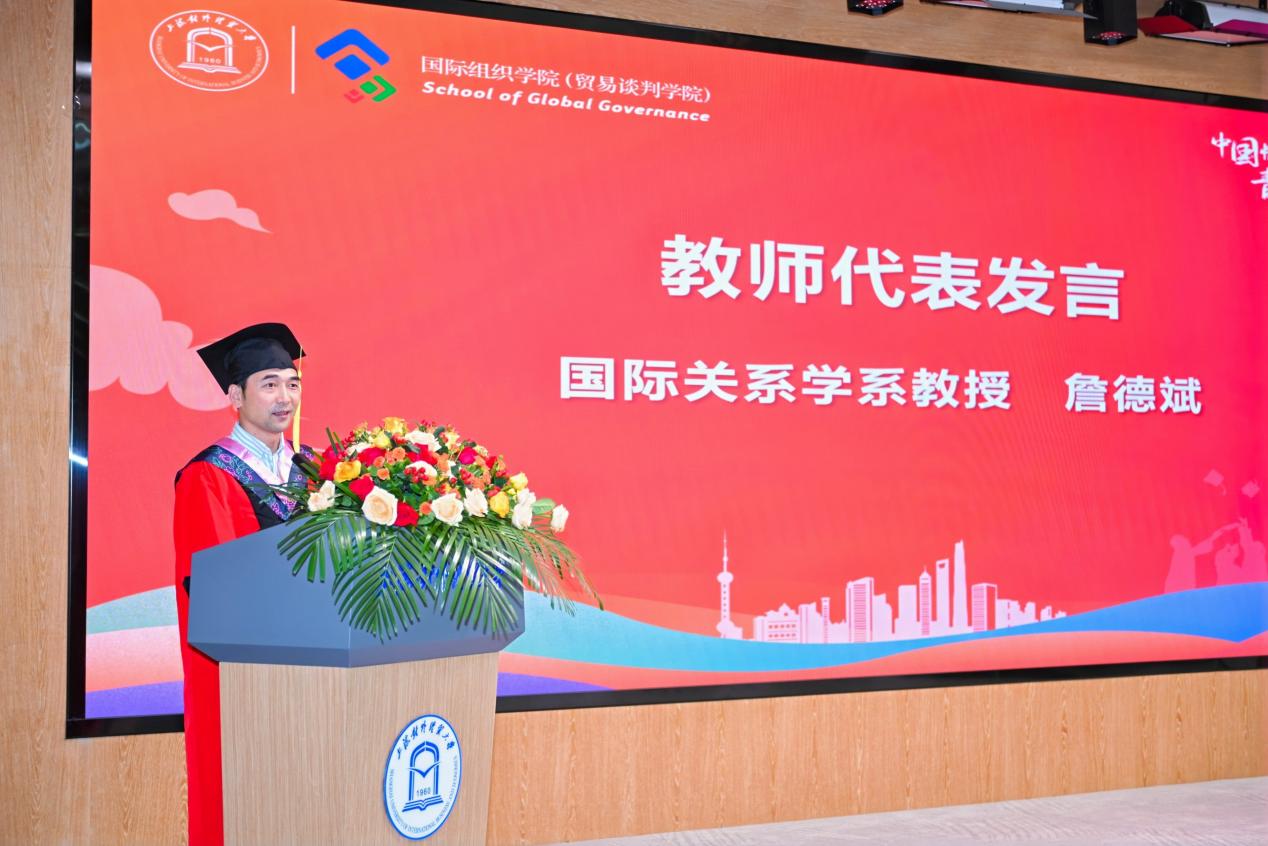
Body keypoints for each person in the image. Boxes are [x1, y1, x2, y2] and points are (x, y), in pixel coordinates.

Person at [174, 323, 313, 846]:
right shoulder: (209, 475)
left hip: (314, 667)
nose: (285, 398)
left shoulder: (313, 470)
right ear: (235, 396)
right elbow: (219, 585)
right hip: (242, 672)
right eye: (269, 384)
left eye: (292, 384)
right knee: (244, 796)